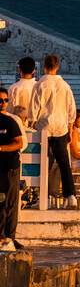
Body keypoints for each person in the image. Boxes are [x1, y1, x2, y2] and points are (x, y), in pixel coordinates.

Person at [29, 53, 78, 205]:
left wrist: (32, 121)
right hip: (61, 128)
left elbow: (34, 109)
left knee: (43, 162)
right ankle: (71, 196)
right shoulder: (65, 85)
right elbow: (72, 110)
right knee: (64, 163)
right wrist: (70, 126)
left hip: (44, 127)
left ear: (44, 66)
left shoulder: (40, 84)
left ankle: (42, 197)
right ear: (57, 66)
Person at [0, 90, 22, 251]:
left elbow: (19, 143)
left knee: (10, 202)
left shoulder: (10, 121)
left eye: (5, 100)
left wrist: (1, 148)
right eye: (0, 100)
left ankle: (10, 237)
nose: (3, 103)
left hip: (9, 167)